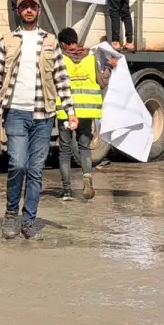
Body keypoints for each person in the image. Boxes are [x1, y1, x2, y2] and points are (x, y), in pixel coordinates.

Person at [0, 0, 76, 240]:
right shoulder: (7, 41)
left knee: (35, 170)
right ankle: (11, 213)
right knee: (17, 164)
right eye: (24, 7)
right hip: (15, 113)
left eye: (32, 7)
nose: (28, 10)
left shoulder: (51, 42)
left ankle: (29, 219)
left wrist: (70, 111)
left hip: (44, 115)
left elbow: (61, 78)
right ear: (18, 10)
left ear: (38, 11)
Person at [56, 27, 110, 202]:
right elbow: (102, 82)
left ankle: (67, 192)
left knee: (64, 151)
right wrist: (109, 66)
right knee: (84, 148)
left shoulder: (61, 59)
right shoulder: (91, 58)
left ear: (62, 44)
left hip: (66, 112)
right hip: (87, 111)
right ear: (76, 40)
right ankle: (86, 176)